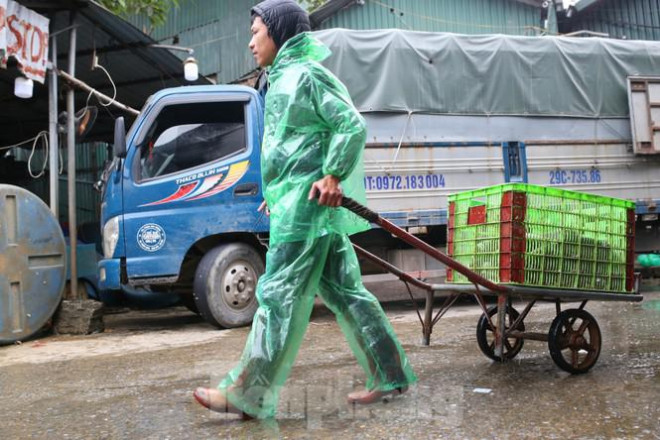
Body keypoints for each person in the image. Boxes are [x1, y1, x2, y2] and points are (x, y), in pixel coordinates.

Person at [193, 0, 417, 419]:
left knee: (277, 296)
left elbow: (350, 124)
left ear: (278, 33)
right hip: (301, 207)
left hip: (305, 212)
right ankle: (390, 374)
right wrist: (277, 191)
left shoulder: (306, 74)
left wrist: (332, 175)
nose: (250, 42)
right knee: (348, 294)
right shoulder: (281, 79)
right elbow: (294, 148)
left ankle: (250, 394)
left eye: (256, 32)